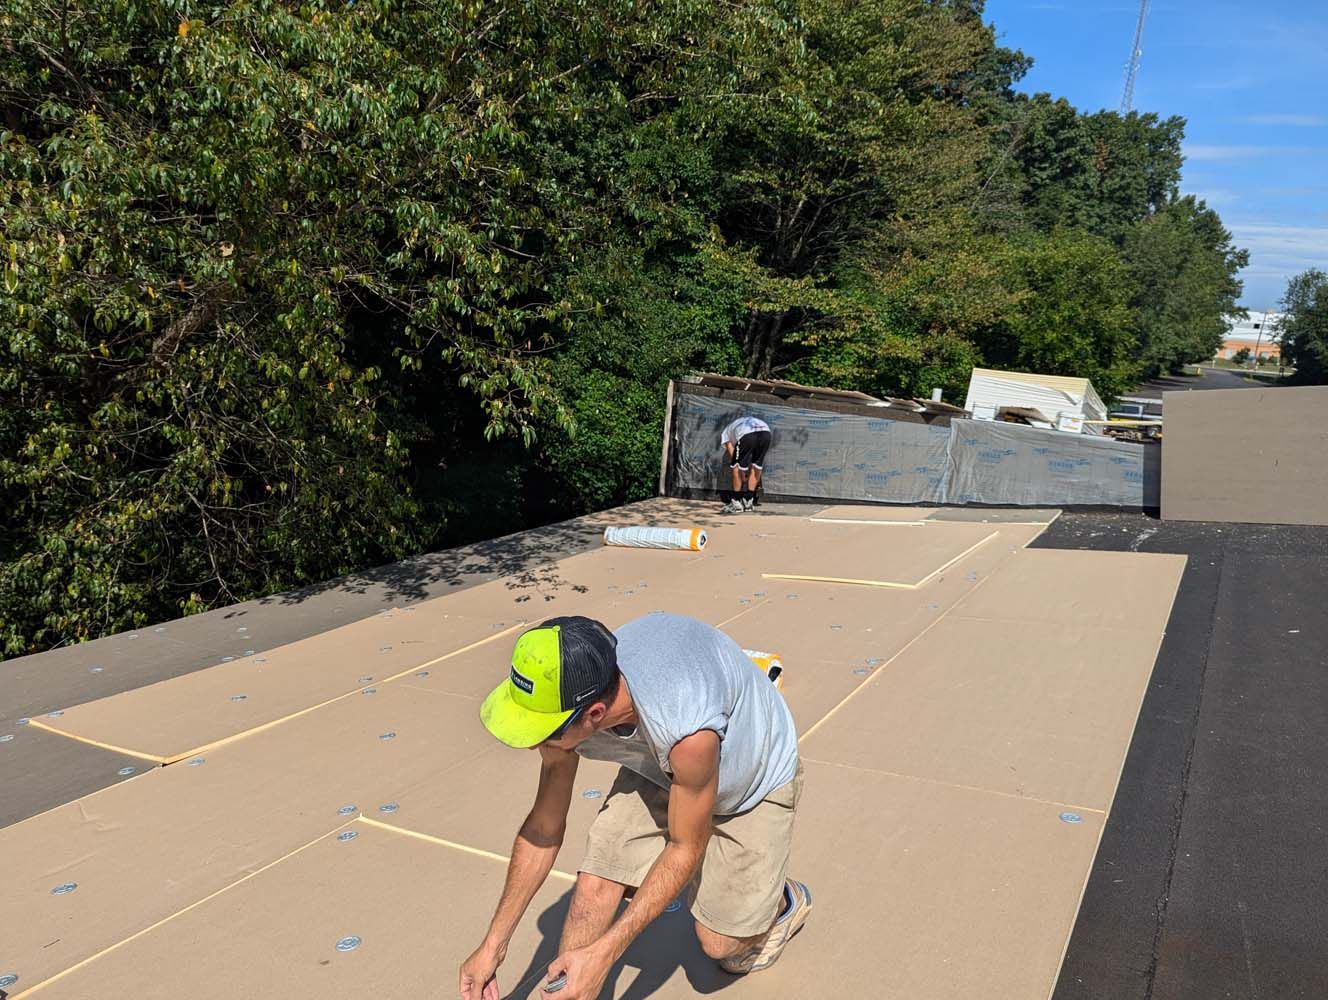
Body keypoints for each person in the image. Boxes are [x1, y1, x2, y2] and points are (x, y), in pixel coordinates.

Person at [459, 614, 809, 1000]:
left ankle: (778, 901)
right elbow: (543, 829)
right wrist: (493, 945)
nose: (531, 744)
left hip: (751, 781)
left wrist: (603, 957)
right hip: (659, 768)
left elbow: (684, 847)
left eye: (541, 733)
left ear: (594, 714)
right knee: (592, 890)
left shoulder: (686, 731)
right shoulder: (572, 701)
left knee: (720, 947)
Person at [719, 415, 772, 513]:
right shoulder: (739, 424)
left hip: (747, 434)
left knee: (736, 466)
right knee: (757, 466)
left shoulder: (725, 434)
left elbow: (733, 455)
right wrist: (743, 472)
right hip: (766, 433)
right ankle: (748, 500)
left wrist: (742, 472)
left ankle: (736, 502)